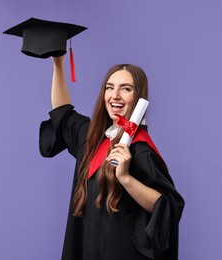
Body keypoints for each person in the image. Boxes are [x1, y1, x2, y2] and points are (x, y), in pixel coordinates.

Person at [39, 55, 184, 260]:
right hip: (88, 249)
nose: (115, 95)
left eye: (125, 88)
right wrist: (58, 64)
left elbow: (165, 206)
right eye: (109, 87)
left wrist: (125, 177)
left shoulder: (141, 150)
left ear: (138, 96)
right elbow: (63, 114)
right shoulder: (92, 139)